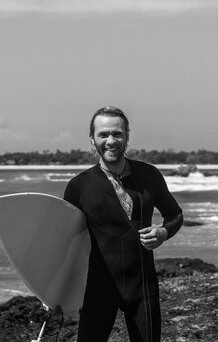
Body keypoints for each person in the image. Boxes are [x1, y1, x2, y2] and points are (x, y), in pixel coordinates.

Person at [64, 106, 183, 342]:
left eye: (117, 134)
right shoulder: (79, 187)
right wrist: (56, 290)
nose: (111, 141)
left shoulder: (149, 175)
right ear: (92, 140)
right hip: (98, 289)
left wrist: (162, 232)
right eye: (103, 134)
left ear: (127, 136)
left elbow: (175, 215)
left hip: (142, 287)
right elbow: (66, 242)